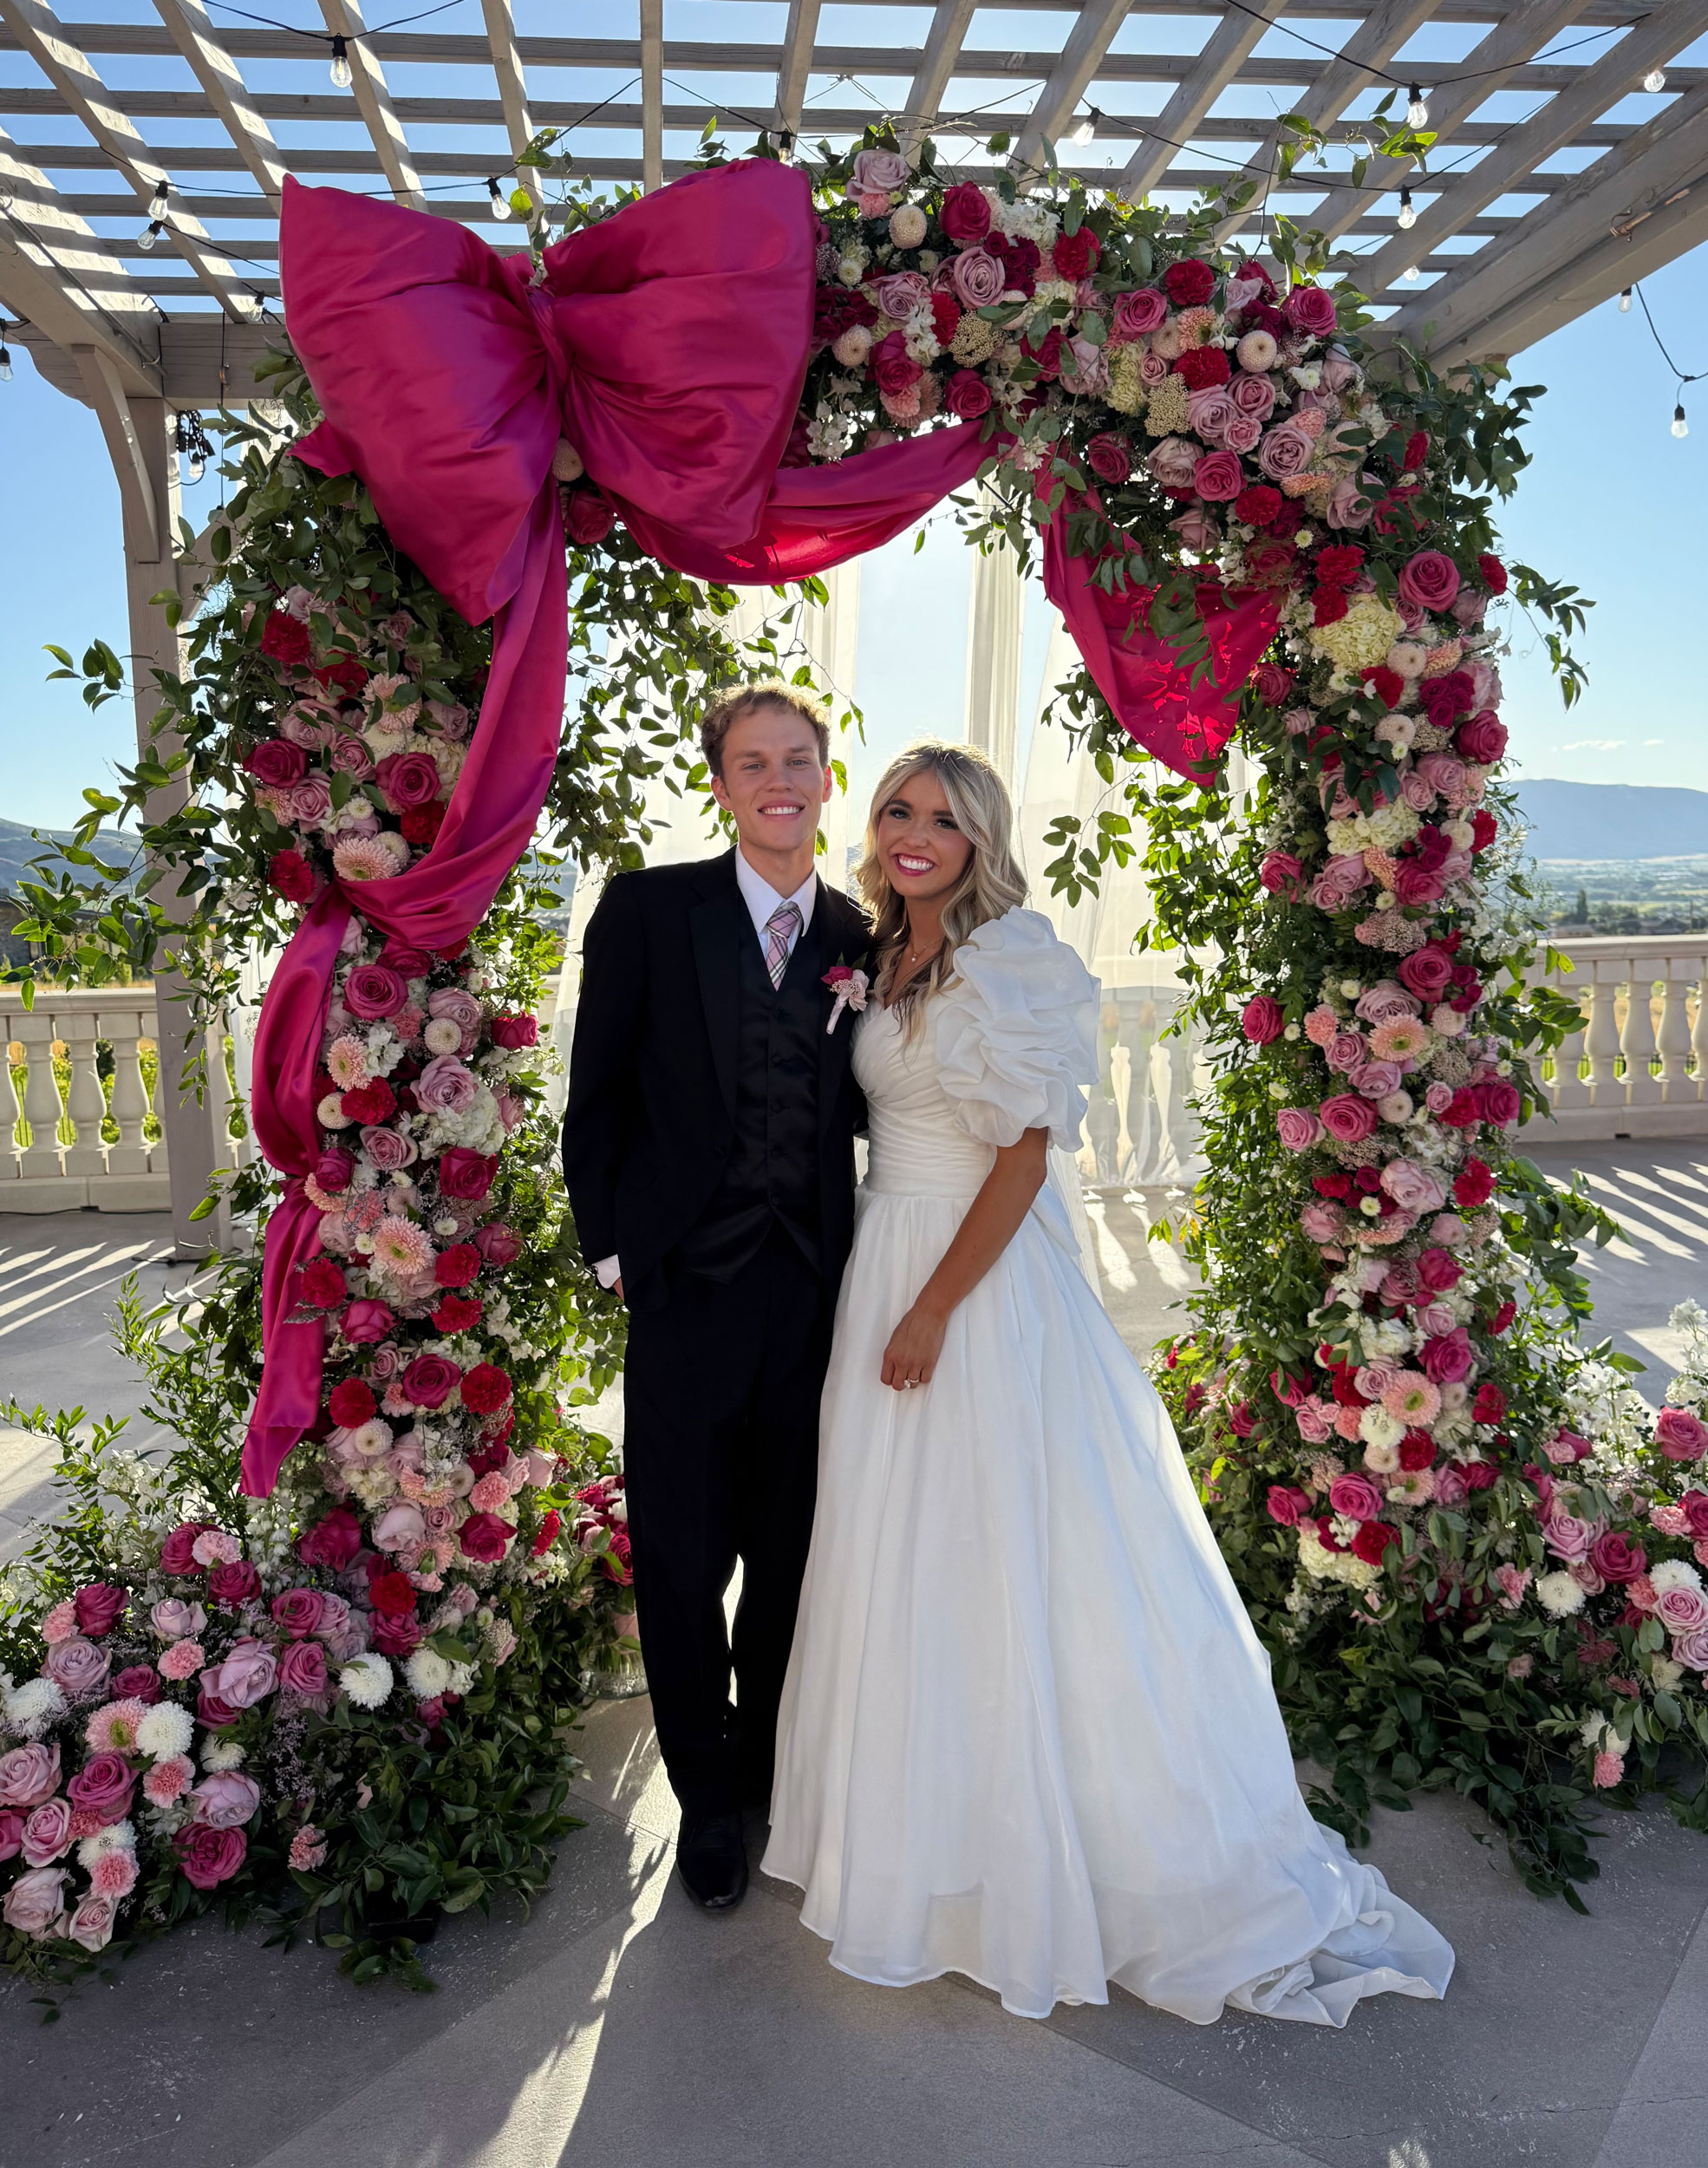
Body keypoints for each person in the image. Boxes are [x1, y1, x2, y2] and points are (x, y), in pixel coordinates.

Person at [763, 741, 1456, 2027]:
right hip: (885, 1251)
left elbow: (1019, 1165)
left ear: (981, 839)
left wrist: (928, 1309)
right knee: (906, 1554)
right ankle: (928, 1836)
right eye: (898, 812)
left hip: (966, 1285)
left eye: (944, 820)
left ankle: (1054, 1863)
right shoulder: (877, 949)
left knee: (1011, 1554)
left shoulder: (1006, 958)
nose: (915, 834)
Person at [563, 681, 870, 1914]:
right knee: (682, 1555)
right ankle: (703, 1798)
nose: (776, 780)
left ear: (824, 777)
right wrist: (610, 1250)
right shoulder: (647, 909)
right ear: (721, 783)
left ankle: (761, 1764)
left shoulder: (862, 932)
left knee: (791, 1548)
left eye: (796, 758)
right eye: (751, 762)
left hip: (812, 1290)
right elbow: (596, 1096)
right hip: (685, 1284)